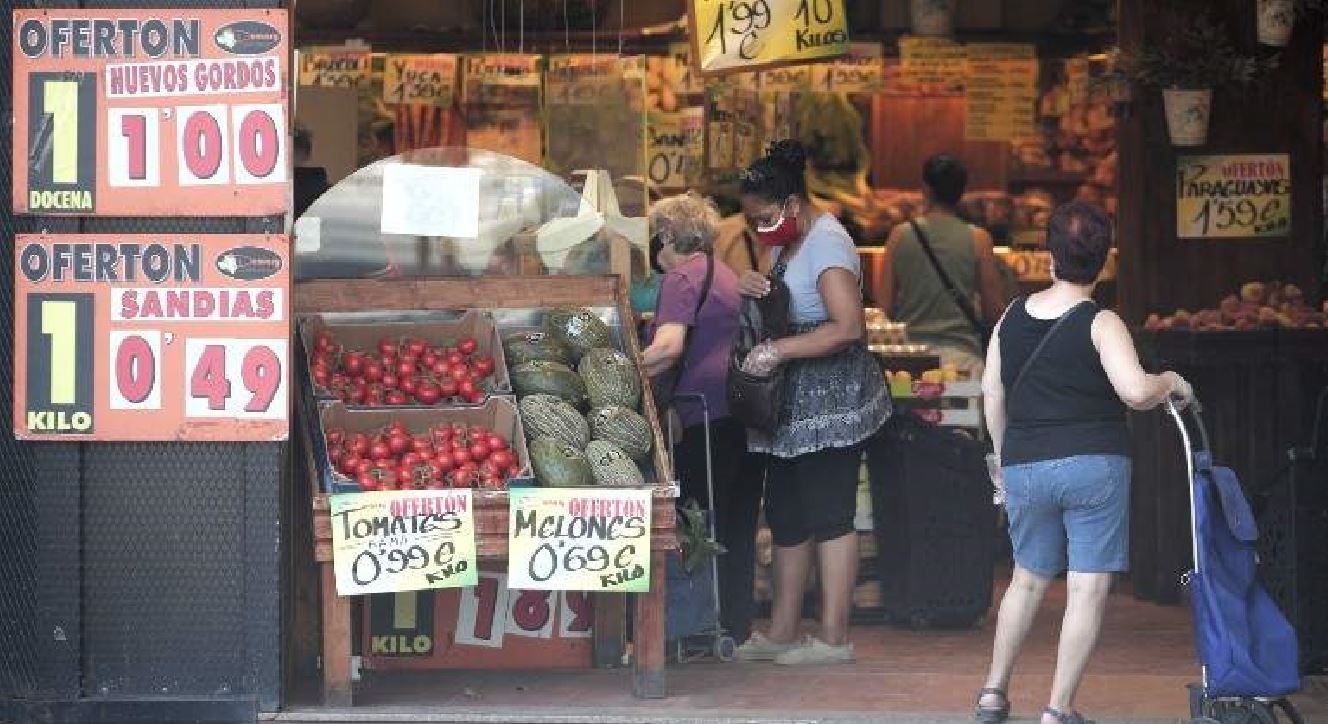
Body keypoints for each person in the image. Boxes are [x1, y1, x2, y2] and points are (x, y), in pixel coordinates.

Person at [976, 202, 1193, 724]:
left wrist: (1005, 460)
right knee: (1087, 586)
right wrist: (1172, 382)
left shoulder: (1011, 316)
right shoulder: (1103, 322)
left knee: (1026, 580)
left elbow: (991, 391)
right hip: (1094, 466)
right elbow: (1137, 391)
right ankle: (1057, 709)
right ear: (1105, 260)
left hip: (1026, 463)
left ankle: (991, 694)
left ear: (1048, 255)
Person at [733, 140, 892, 666]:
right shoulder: (784, 241)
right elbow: (786, 299)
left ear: (793, 206)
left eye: (763, 218)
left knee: (830, 513)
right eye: (751, 220)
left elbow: (848, 327)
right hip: (790, 404)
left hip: (831, 401)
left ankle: (832, 636)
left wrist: (777, 350)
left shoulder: (826, 244)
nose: (758, 228)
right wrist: (756, 284)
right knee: (787, 515)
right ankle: (781, 629)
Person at [640, 193, 761, 644]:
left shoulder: (681, 278)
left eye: (656, 234)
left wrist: (623, 366)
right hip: (733, 414)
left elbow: (669, 348)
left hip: (701, 418)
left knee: (696, 523)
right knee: (731, 525)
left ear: (668, 234)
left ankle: (695, 628)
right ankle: (731, 623)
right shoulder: (722, 272)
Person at [878, 154, 1008, 377]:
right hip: (963, 362)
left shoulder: (899, 236)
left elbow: (884, 309)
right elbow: (993, 312)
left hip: (910, 363)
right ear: (961, 193)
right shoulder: (978, 239)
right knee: (963, 412)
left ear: (925, 189)